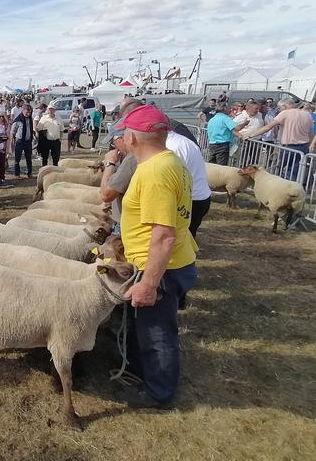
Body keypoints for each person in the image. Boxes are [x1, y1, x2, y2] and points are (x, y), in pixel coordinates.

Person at [113, 105, 198, 408]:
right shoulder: (170, 161)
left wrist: (149, 283)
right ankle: (144, 373)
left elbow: (163, 235)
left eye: (125, 132)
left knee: (157, 334)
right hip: (170, 262)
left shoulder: (154, 173)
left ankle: (159, 394)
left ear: (134, 137)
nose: (122, 136)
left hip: (162, 267)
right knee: (150, 328)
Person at [243, 97, 314, 180]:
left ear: (284, 106)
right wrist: (311, 145)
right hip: (303, 147)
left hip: (289, 147)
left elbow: (268, 127)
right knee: (295, 171)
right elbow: (310, 133)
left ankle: (280, 188)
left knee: (279, 169)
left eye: (280, 108)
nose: (279, 110)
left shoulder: (285, 113)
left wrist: (250, 136)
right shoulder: (307, 114)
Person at [165, 130, 212, 238]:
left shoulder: (172, 147)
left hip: (191, 200)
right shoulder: (182, 141)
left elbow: (173, 178)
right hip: (199, 197)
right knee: (187, 239)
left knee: (179, 240)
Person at [99, 124, 136, 231]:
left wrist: (110, 163)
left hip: (125, 223)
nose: (114, 146)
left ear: (123, 138)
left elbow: (105, 194)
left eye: (113, 142)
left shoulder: (131, 160)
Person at [11, 104, 34, 178]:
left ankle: (29, 173)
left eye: (29, 112)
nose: (28, 114)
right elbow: (13, 131)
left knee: (29, 158)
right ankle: (17, 174)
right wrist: (13, 141)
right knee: (17, 158)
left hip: (28, 141)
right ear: (23, 110)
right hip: (20, 141)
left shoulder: (30, 119)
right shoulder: (18, 120)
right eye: (27, 112)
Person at [0, 113, 11, 186]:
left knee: (2, 164)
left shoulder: (5, 126)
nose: (1, 118)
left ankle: (2, 178)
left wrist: (7, 149)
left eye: (2, 117)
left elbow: (8, 138)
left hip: (2, 148)